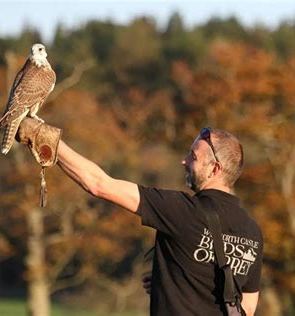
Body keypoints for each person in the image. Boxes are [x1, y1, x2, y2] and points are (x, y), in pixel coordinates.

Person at [16, 119, 263, 315]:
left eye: (193, 157)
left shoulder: (182, 211)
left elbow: (99, 184)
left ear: (215, 169)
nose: (184, 160)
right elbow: (246, 309)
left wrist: (43, 138)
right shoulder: (253, 232)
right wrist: (175, 281)